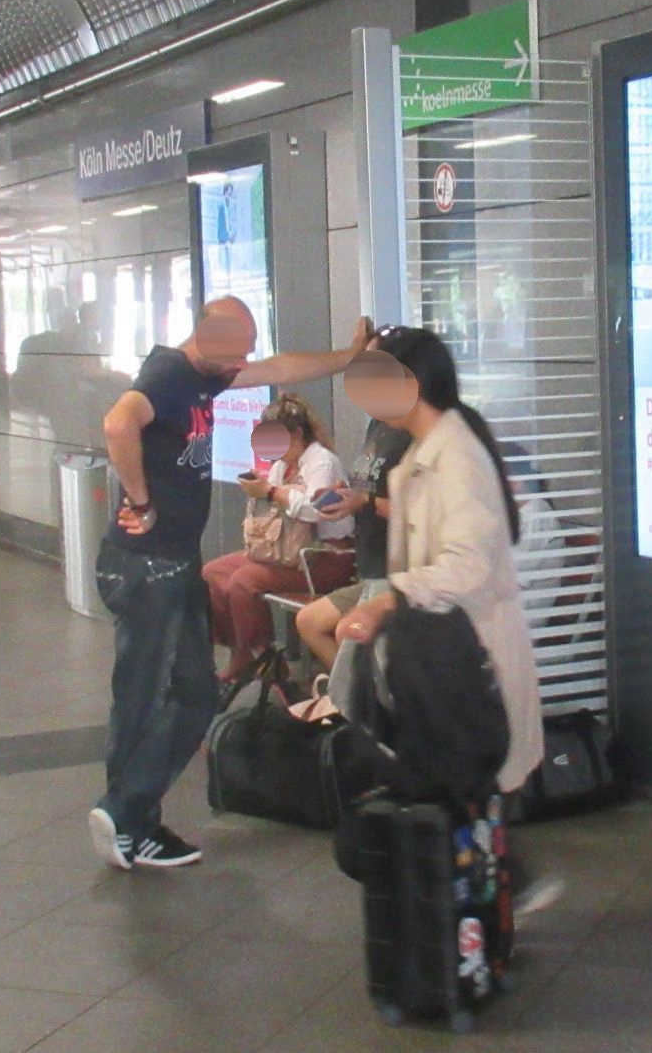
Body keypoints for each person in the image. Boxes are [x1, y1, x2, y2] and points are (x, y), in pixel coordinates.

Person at [90, 298, 373, 872]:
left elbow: (282, 367)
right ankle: (128, 817)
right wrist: (140, 502)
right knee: (148, 696)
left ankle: (128, 816)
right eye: (235, 351)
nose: (243, 363)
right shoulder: (170, 373)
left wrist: (349, 357)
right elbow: (119, 423)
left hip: (168, 565)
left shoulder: (206, 375)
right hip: (147, 567)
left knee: (189, 693)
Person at [335, 327, 554, 909]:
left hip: (470, 655)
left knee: (473, 788)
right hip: (443, 655)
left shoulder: (454, 456)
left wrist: (390, 599)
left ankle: (489, 913)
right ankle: (483, 912)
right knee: (465, 794)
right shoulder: (424, 452)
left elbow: (469, 564)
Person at [202, 393, 355, 677]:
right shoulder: (281, 466)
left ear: (296, 434)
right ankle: (241, 651)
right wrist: (260, 489)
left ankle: (264, 656)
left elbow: (318, 510)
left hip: (325, 556)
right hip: (285, 551)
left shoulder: (322, 461)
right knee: (213, 573)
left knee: (244, 581)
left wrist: (272, 492)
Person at [298, 357, 415, 670]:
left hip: (397, 568)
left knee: (347, 631)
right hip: (370, 563)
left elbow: (418, 513)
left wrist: (366, 501)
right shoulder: (379, 424)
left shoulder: (412, 433)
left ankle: (359, 695)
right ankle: (350, 693)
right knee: (310, 622)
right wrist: (344, 494)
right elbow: (368, 484)